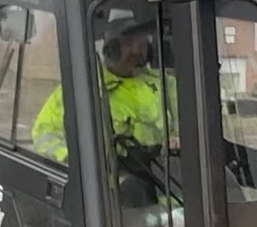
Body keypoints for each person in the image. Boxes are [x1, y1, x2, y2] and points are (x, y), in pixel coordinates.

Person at [31, 18, 176, 165]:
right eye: (128, 43)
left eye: (141, 43)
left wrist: (176, 138)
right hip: (112, 174)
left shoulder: (165, 83)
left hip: (164, 172)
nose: (136, 51)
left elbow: (185, 121)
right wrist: (78, 161)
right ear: (111, 49)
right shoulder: (84, 89)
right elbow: (45, 134)